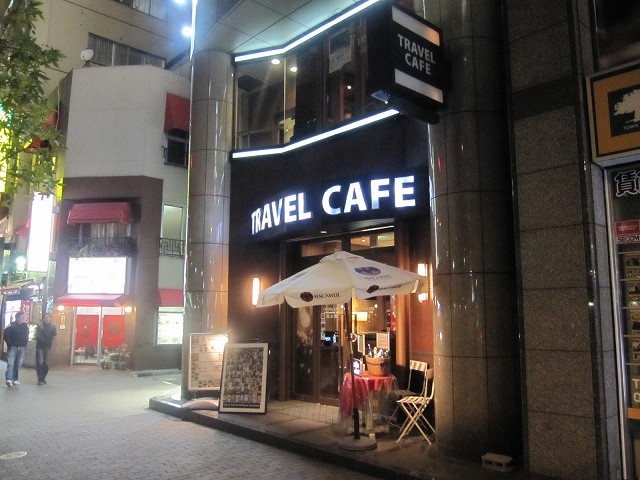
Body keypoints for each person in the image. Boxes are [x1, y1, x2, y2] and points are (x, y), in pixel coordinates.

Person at [4, 312, 29, 388]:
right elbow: (6, 335)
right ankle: (9, 379)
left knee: (18, 364)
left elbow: (27, 335)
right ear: (17, 318)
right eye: (22, 317)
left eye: (24, 317)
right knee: (11, 363)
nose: (23, 318)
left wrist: (25, 343)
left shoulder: (25, 326)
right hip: (13, 347)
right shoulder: (11, 325)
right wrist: (10, 344)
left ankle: (15, 379)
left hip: (21, 348)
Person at [35, 312, 57, 385]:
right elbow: (38, 336)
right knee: (40, 362)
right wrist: (45, 340)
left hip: (48, 346)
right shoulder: (40, 325)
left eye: (48, 317)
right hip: (40, 346)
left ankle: (43, 377)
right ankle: (40, 378)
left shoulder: (52, 326)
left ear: (50, 319)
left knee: (46, 363)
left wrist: (50, 340)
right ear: (43, 318)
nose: (47, 318)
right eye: (45, 317)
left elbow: (54, 335)